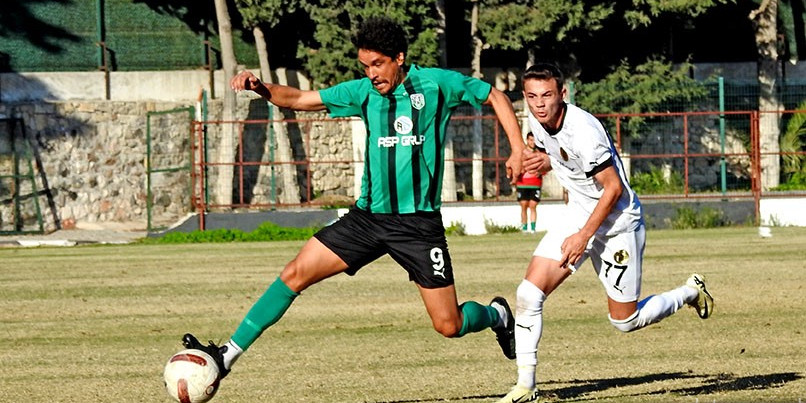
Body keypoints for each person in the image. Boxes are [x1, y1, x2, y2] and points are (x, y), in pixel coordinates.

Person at [181, 16, 526, 388]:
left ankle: (497, 316)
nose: (371, 73)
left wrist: (518, 148)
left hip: (418, 226)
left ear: (399, 57)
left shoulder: (438, 84)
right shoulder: (362, 92)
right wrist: (260, 86)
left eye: (377, 64)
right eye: (365, 66)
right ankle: (226, 356)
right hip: (367, 220)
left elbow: (494, 95)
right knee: (294, 274)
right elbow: (297, 99)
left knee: (449, 325)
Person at [496, 62, 715, 403]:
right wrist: (547, 161)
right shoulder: (537, 125)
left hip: (617, 224)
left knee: (625, 321)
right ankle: (526, 386)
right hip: (579, 215)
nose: (539, 104)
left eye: (547, 95)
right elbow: (567, 156)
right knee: (528, 295)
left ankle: (689, 291)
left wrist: (584, 236)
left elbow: (612, 189)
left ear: (562, 94)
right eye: (532, 97)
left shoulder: (584, 129)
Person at [515, 132, 542, 233]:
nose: (533, 142)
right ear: (527, 140)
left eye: (534, 140)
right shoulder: (522, 153)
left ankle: (533, 228)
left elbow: (544, 169)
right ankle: (524, 227)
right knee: (524, 205)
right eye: (531, 140)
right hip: (523, 183)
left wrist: (540, 171)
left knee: (533, 206)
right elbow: (518, 166)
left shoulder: (539, 153)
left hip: (535, 184)